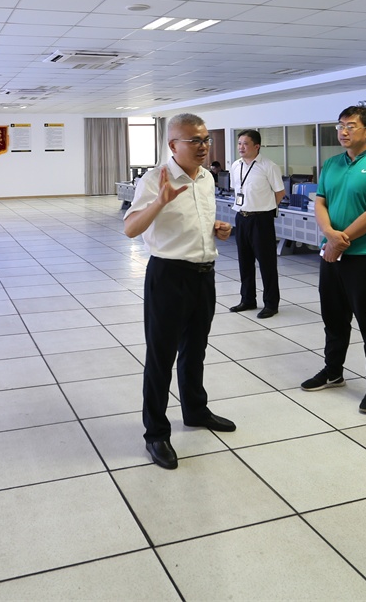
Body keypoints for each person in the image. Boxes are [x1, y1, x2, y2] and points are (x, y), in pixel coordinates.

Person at [124, 113, 236, 470]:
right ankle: (156, 433)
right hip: (168, 276)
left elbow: (195, 220)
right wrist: (160, 202)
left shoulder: (206, 177)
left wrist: (216, 228)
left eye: (206, 140)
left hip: (204, 274)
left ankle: (195, 410)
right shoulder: (155, 179)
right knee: (161, 357)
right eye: (194, 141)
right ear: (173, 145)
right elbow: (130, 228)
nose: (203, 146)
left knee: (195, 349)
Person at [301, 105, 366, 415]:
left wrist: (341, 241)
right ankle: (333, 371)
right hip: (331, 255)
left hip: (364, 258)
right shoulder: (331, 164)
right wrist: (331, 236)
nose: (343, 131)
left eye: (350, 125)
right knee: (333, 319)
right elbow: (320, 202)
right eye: (340, 125)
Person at [228, 129, 285, 319]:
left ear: (257, 146)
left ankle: (271, 303)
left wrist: (266, 208)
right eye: (239, 143)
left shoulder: (269, 166)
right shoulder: (235, 165)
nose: (241, 147)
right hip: (241, 217)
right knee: (245, 262)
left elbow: (280, 193)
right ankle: (247, 299)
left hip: (261, 219)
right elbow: (237, 189)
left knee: (267, 263)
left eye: (245, 144)